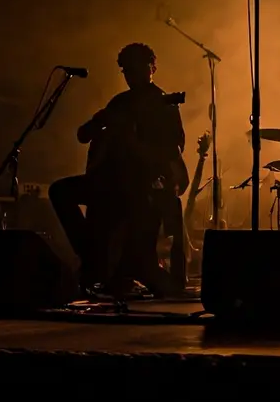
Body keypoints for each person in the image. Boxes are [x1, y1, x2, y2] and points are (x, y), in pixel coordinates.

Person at [49, 43, 186, 298]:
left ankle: (111, 264)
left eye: (136, 68)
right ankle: (90, 253)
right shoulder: (120, 102)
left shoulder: (163, 103)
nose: (131, 74)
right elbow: (83, 135)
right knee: (60, 191)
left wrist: (134, 144)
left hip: (139, 185)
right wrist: (98, 121)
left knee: (130, 221)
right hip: (106, 180)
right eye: (126, 70)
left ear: (151, 67)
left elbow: (172, 151)